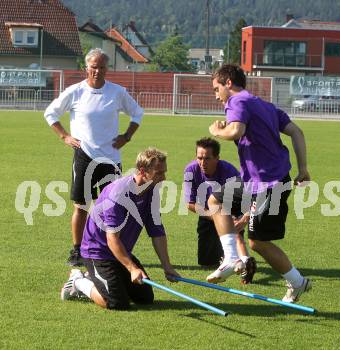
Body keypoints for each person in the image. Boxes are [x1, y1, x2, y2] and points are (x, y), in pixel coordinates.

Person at [206, 64, 312, 303]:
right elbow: (297, 132)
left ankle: (297, 282)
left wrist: (216, 131)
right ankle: (232, 257)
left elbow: (236, 130)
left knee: (258, 242)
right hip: (255, 182)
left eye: (216, 88)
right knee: (215, 199)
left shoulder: (236, 102)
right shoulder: (265, 105)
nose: (216, 95)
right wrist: (303, 168)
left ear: (229, 83)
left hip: (269, 183)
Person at [44, 48, 144, 267]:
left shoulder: (117, 92)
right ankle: (77, 250)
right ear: (86, 68)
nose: (97, 71)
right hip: (85, 156)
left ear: (107, 69)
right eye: (93, 67)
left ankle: (113, 249)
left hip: (111, 158)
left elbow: (137, 113)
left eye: (102, 67)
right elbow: (50, 113)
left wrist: (127, 136)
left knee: (113, 206)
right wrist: (65, 136)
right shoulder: (75, 91)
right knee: (81, 206)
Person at [60, 148, 181, 310]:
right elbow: (112, 239)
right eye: (159, 173)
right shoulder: (118, 195)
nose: (163, 178)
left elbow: (156, 231)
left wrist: (167, 266)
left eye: (164, 172)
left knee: (145, 298)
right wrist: (132, 268)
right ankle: (78, 281)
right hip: (98, 252)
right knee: (116, 303)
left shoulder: (152, 191)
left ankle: (98, 278)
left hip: (120, 252)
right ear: (143, 172)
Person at [183, 137, 256, 282]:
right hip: (206, 212)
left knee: (236, 234)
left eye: (207, 158)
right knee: (206, 263)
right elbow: (190, 204)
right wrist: (214, 216)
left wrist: (243, 219)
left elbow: (250, 198)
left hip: (232, 209)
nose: (203, 163)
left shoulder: (229, 171)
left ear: (217, 158)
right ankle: (231, 258)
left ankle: (246, 263)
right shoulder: (191, 170)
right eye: (199, 158)